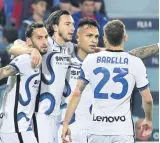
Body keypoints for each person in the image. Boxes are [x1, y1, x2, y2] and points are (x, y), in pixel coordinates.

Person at [62, 20, 153, 143]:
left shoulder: (90, 59)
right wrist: (148, 119)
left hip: (97, 130)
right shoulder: (135, 62)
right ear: (125, 37)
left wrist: (66, 124)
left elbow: (77, 93)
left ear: (104, 39)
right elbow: (147, 99)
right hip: (122, 131)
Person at [9, 10, 75, 143]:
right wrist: (31, 50)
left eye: (73, 24)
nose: (72, 28)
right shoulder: (45, 42)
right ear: (55, 27)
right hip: (40, 115)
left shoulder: (68, 47)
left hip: (56, 116)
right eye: (67, 24)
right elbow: (14, 47)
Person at [0, 22, 48, 143]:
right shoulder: (26, 59)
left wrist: (32, 49)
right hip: (16, 128)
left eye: (46, 37)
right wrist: (31, 50)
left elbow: (17, 43)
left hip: (20, 126)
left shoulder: (37, 56)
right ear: (29, 41)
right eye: (39, 38)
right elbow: (3, 72)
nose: (44, 41)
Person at [58, 18, 99, 143]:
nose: (94, 40)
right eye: (89, 36)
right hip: (66, 127)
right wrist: (31, 50)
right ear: (78, 37)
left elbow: (126, 55)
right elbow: (18, 43)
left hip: (92, 129)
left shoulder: (100, 62)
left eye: (96, 37)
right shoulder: (62, 57)